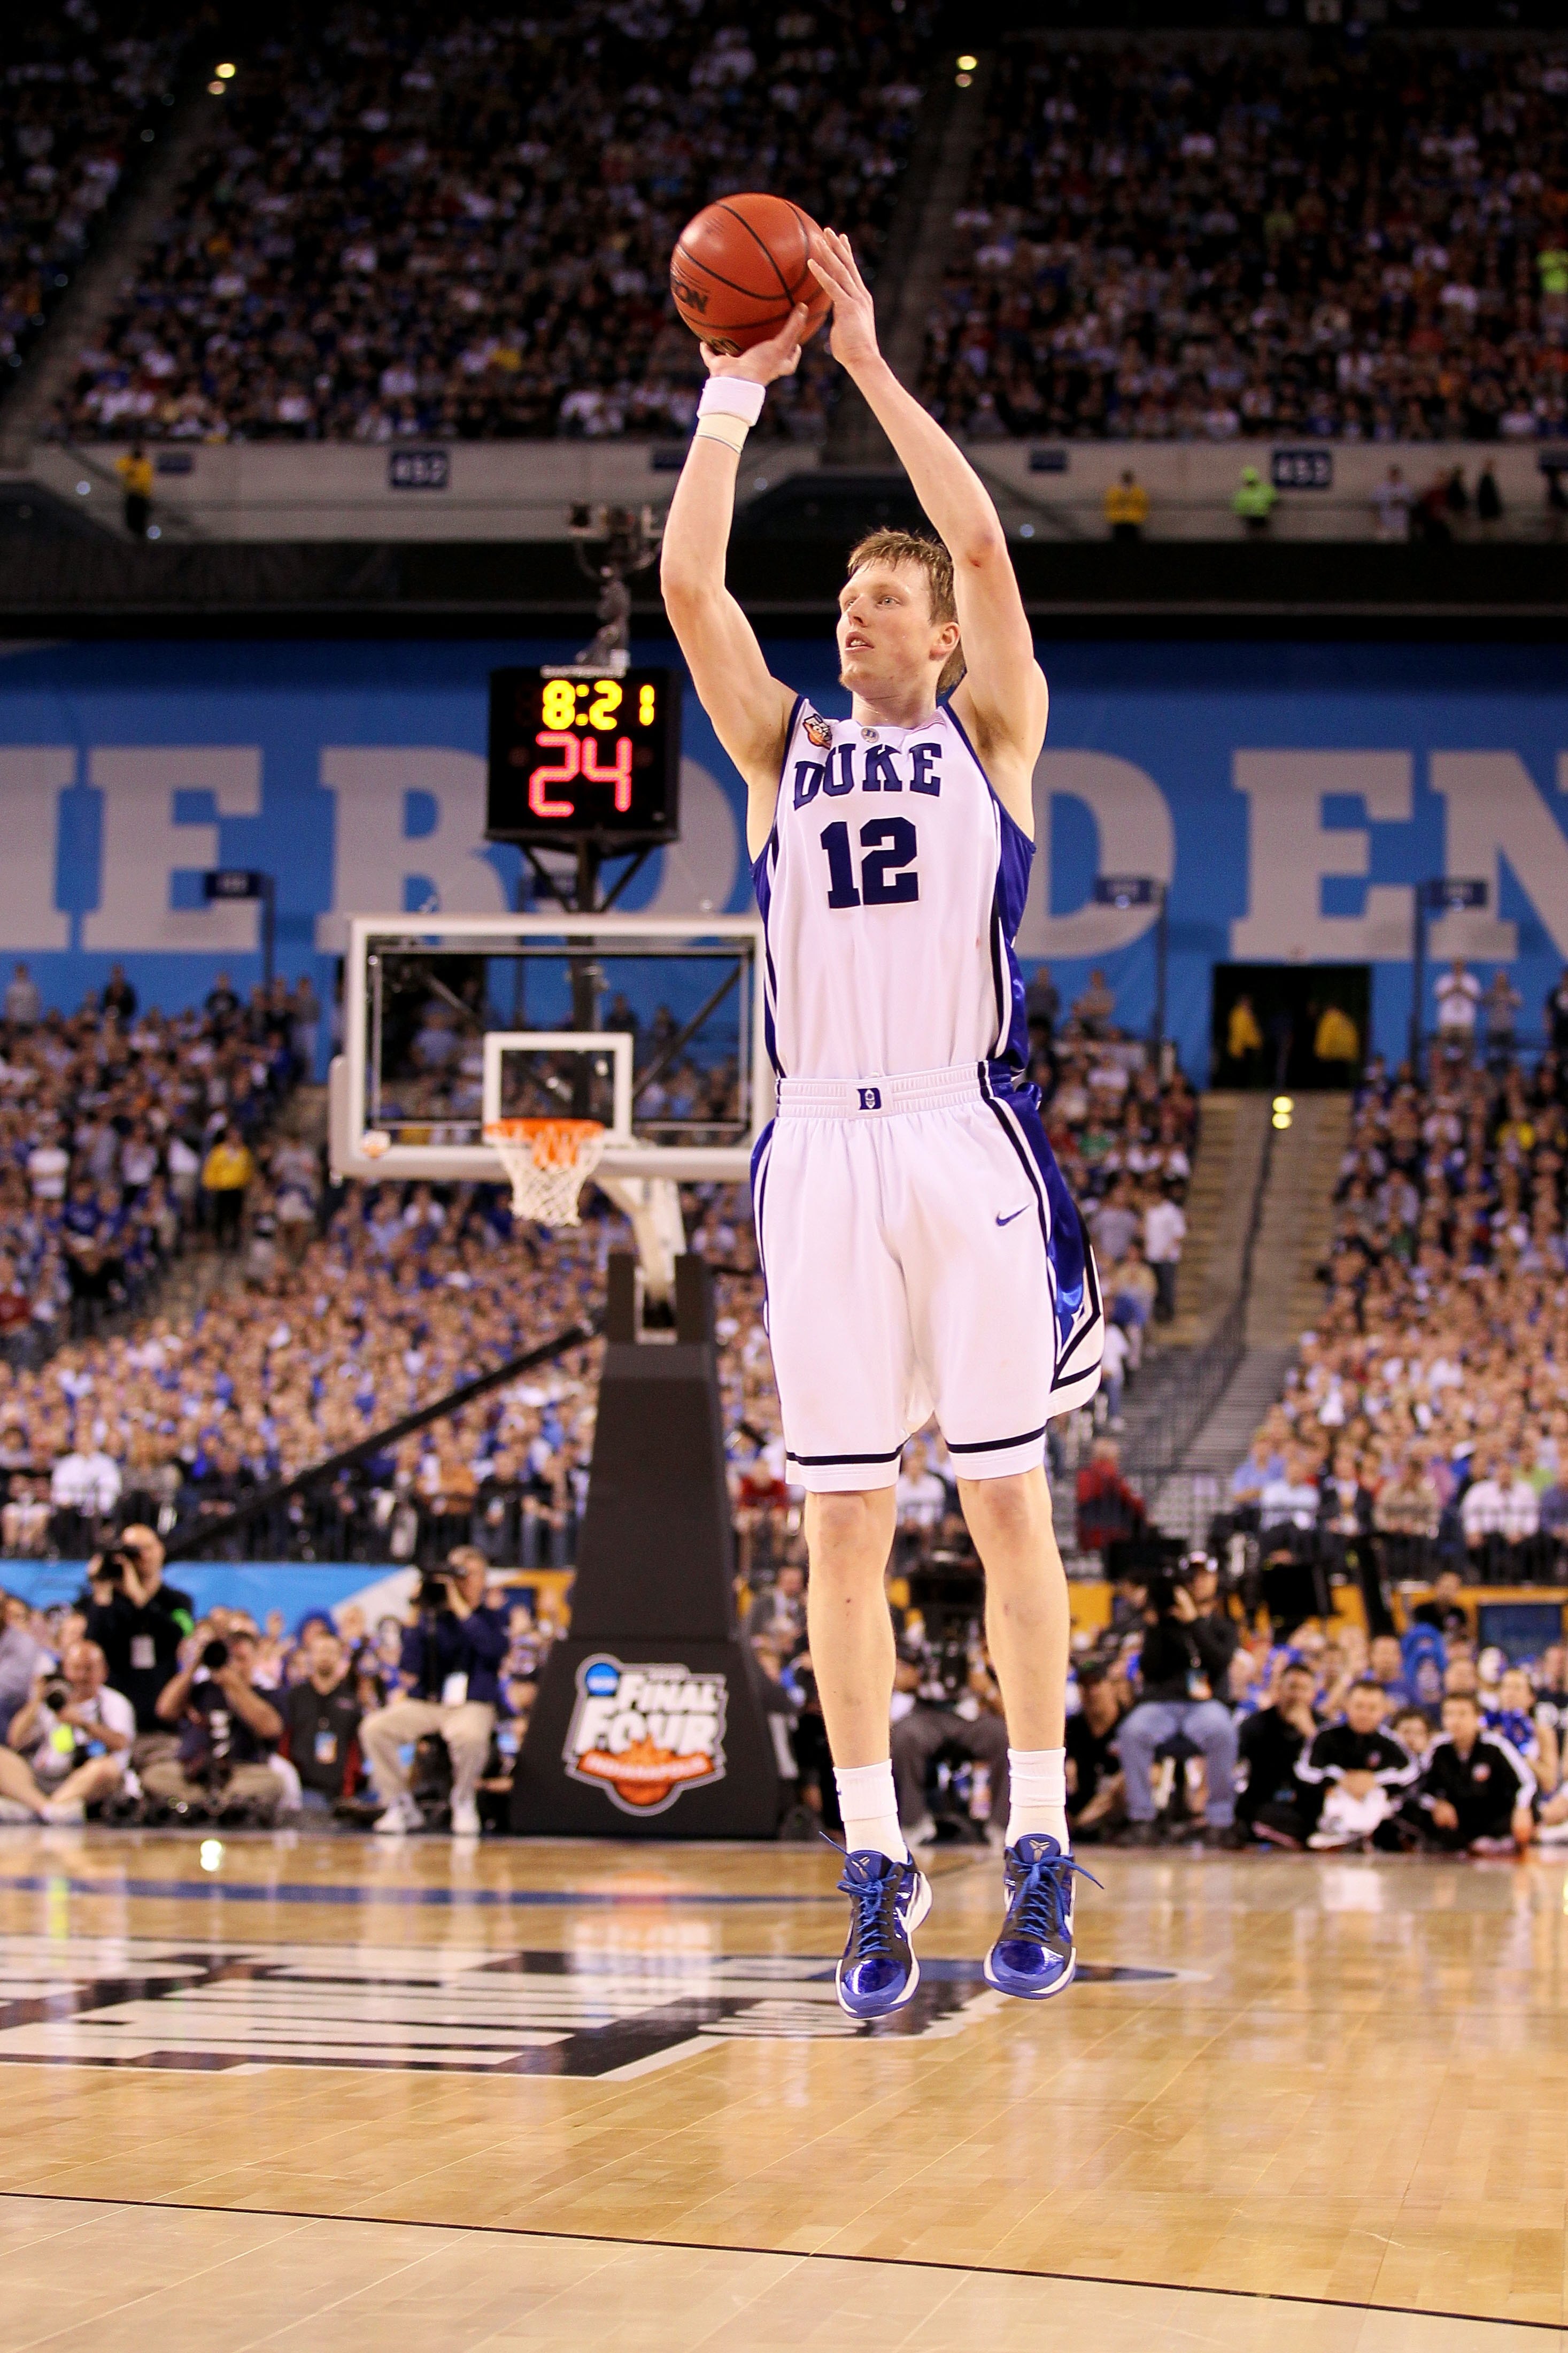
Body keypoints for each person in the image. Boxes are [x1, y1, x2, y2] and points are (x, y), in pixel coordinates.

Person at [659, 224, 1104, 2019]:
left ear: (935, 630)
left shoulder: (994, 731)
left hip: (955, 1134)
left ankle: (1043, 1841)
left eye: (879, 601)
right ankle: (871, 1862)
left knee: (1005, 1507)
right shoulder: (786, 751)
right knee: (841, 1531)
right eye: (842, 603)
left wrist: (854, 357)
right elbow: (694, 595)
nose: (853, 616)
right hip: (819, 1159)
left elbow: (982, 538)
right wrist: (728, 400)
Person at [359, 1548, 508, 1837]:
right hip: (429, 1703)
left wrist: (462, 1608)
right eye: (456, 1574)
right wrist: (417, 1608)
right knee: (375, 1728)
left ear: (483, 1580)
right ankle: (400, 1803)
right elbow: (409, 1666)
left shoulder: (493, 1618)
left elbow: (493, 1651)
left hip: (472, 1704)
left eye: (470, 1574)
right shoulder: (432, 1619)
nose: (461, 1581)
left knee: (469, 1736)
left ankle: (463, 1798)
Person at [1116, 1558, 1240, 1846]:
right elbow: (1151, 1668)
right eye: (1192, 1578)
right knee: (1132, 1732)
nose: (1199, 1583)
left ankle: (1219, 1820)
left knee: (1223, 1731)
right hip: (1162, 1704)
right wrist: (1158, 1626)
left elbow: (1218, 1663)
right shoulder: (1161, 1624)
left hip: (1206, 1705)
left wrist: (1194, 1622)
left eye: (1204, 1576)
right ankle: (1142, 1817)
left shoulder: (1223, 1626)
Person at [145, 1624, 285, 1820]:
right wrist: (194, 1665)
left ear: (254, 1660)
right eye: (230, 1659)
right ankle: (215, 1805)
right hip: (194, 1773)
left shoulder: (267, 1693)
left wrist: (234, 1685)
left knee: (273, 1783)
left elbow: (271, 1728)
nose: (234, 1665)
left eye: (241, 1659)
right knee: (155, 1776)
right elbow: (164, 1710)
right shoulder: (202, 1689)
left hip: (241, 1772)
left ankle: (205, 1806)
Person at [0, 1640, 135, 1824]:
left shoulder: (114, 1702)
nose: (81, 1676)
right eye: (75, 1668)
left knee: (108, 1769)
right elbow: (15, 1739)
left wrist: (82, 1723)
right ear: (65, 1670)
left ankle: (37, 1811)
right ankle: (48, 1810)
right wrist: (37, 1699)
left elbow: (121, 1743)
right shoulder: (53, 1699)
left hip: (82, 1782)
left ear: (103, 1671)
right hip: (43, 1777)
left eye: (88, 1669)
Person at [81, 1525, 195, 1732]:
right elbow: (93, 1647)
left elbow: (178, 1635)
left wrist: (139, 1597)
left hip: (160, 1719)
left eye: (147, 1548)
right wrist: (102, 1592)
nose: (142, 1557)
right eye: (133, 1551)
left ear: (161, 1550)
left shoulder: (177, 1602)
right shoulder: (106, 1604)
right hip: (113, 1721)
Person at [1292, 1679, 1421, 1850]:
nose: (1365, 1714)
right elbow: (1304, 1770)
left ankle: (1364, 1838)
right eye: (1359, 1706)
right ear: (1347, 1705)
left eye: (1372, 1708)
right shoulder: (1326, 1736)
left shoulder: (1390, 1741)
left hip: (1376, 1811)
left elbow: (1411, 1771)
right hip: (1330, 1807)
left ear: (1383, 1710)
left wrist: (1374, 1780)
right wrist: (1339, 1778)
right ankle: (1340, 1835)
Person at [1407, 1690, 1534, 1855]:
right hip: (1458, 1818)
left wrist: (1522, 1809)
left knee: (1526, 1811)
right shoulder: (1437, 1748)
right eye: (1450, 1714)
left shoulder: (1495, 1746)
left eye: (1462, 1714)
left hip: (1493, 1813)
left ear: (1477, 1717)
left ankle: (1500, 1841)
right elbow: (1418, 1787)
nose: (1456, 1721)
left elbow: (1527, 1783)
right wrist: (1436, 1804)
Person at [277, 1624, 363, 1811]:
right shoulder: (294, 1697)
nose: (324, 1656)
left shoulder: (351, 1701)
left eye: (330, 1651)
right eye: (319, 1651)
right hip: (301, 1791)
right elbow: (283, 1744)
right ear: (309, 1656)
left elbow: (356, 1751)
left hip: (340, 1792)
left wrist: (349, 1791)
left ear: (340, 1656)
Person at [1235, 1660, 1319, 1844]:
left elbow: (1332, 1767)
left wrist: (1310, 1734)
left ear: (1313, 1694)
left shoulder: (1322, 1728)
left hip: (1307, 1806)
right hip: (1263, 1802)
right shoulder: (1255, 1724)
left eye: (1303, 1689)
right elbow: (1232, 1763)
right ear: (1279, 1689)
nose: (1296, 1695)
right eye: (1292, 1687)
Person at [1064, 1663, 1125, 1842]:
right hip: (1078, 1811)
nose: (1091, 1692)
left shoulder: (1128, 1724)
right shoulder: (1073, 1727)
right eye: (1085, 1686)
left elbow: (1154, 1773)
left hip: (1117, 1813)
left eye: (1097, 1684)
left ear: (1111, 1686)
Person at [200, 1122, 253, 1251]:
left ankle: (235, 1242)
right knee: (221, 1216)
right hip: (222, 1188)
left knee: (236, 1217)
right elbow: (211, 1168)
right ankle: (220, 1241)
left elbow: (248, 1170)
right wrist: (209, 1183)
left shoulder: (244, 1152)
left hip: (237, 1188)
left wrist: (248, 1183)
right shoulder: (219, 1152)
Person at [115, 443, 154, 539]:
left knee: (141, 519)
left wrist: (138, 486)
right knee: (130, 518)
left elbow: (146, 480)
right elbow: (119, 466)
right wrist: (131, 461)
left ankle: (140, 538)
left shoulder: (146, 465)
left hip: (142, 496)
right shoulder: (129, 463)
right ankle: (132, 534)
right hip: (131, 495)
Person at [1104, 468, 1149, 541]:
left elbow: (1143, 505)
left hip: (1134, 520)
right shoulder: (1114, 491)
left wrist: (1141, 516)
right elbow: (1109, 504)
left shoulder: (1138, 492)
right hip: (1118, 520)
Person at [1233, 463, 1277, 534]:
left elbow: (1239, 509)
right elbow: (1275, 499)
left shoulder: (1242, 494)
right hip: (1262, 518)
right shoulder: (1266, 489)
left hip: (1252, 519)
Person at [1372, 464, 1411, 542]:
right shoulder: (1381, 489)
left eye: (1396, 474)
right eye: (1392, 474)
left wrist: (1402, 501)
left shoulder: (1405, 489)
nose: (1394, 476)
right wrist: (1377, 523)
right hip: (1385, 524)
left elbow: (1412, 504)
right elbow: (1374, 506)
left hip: (1401, 524)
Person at [4, 963, 41, 1027]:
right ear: (16, 973)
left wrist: (36, 1018)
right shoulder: (12, 988)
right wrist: (11, 1019)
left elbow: (37, 1003)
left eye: (23, 972)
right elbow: (9, 1005)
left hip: (31, 1019)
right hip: (17, 1019)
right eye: (19, 972)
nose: (21, 974)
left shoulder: (32, 988)